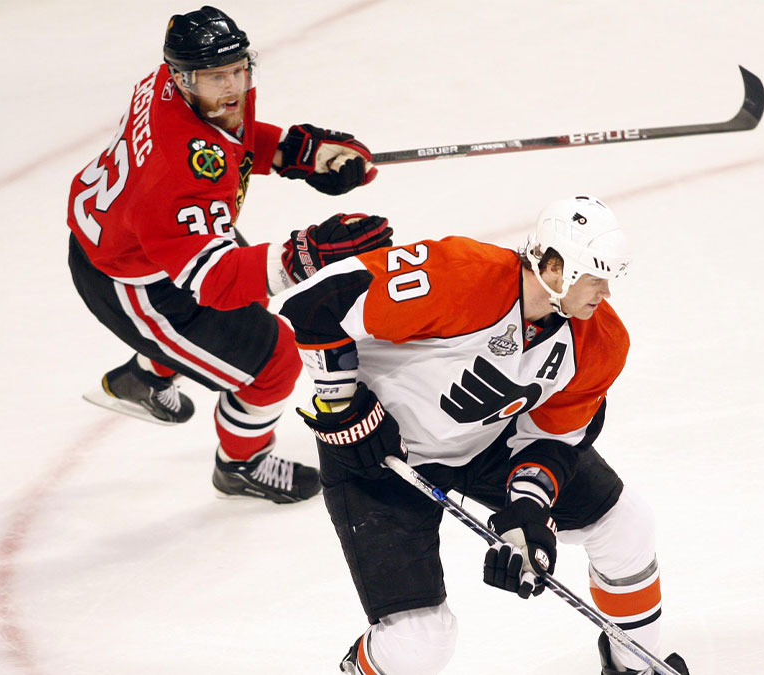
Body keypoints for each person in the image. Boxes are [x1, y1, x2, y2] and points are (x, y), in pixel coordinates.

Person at [279, 195, 691, 674]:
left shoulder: (600, 341)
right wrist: (341, 406)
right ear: (556, 269)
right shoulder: (458, 275)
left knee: (626, 525)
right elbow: (313, 304)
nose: (606, 292)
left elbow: (552, 440)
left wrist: (528, 512)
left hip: (488, 441)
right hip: (379, 457)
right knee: (421, 643)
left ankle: (632, 667)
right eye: (596, 276)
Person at [66, 5, 393, 504]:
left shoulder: (180, 88)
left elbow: (222, 146)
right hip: (137, 282)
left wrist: (297, 152)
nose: (233, 86)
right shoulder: (178, 172)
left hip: (144, 238)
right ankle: (240, 465)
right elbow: (216, 279)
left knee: (252, 314)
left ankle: (146, 375)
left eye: (239, 68)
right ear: (182, 75)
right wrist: (313, 251)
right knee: (275, 362)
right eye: (217, 76)